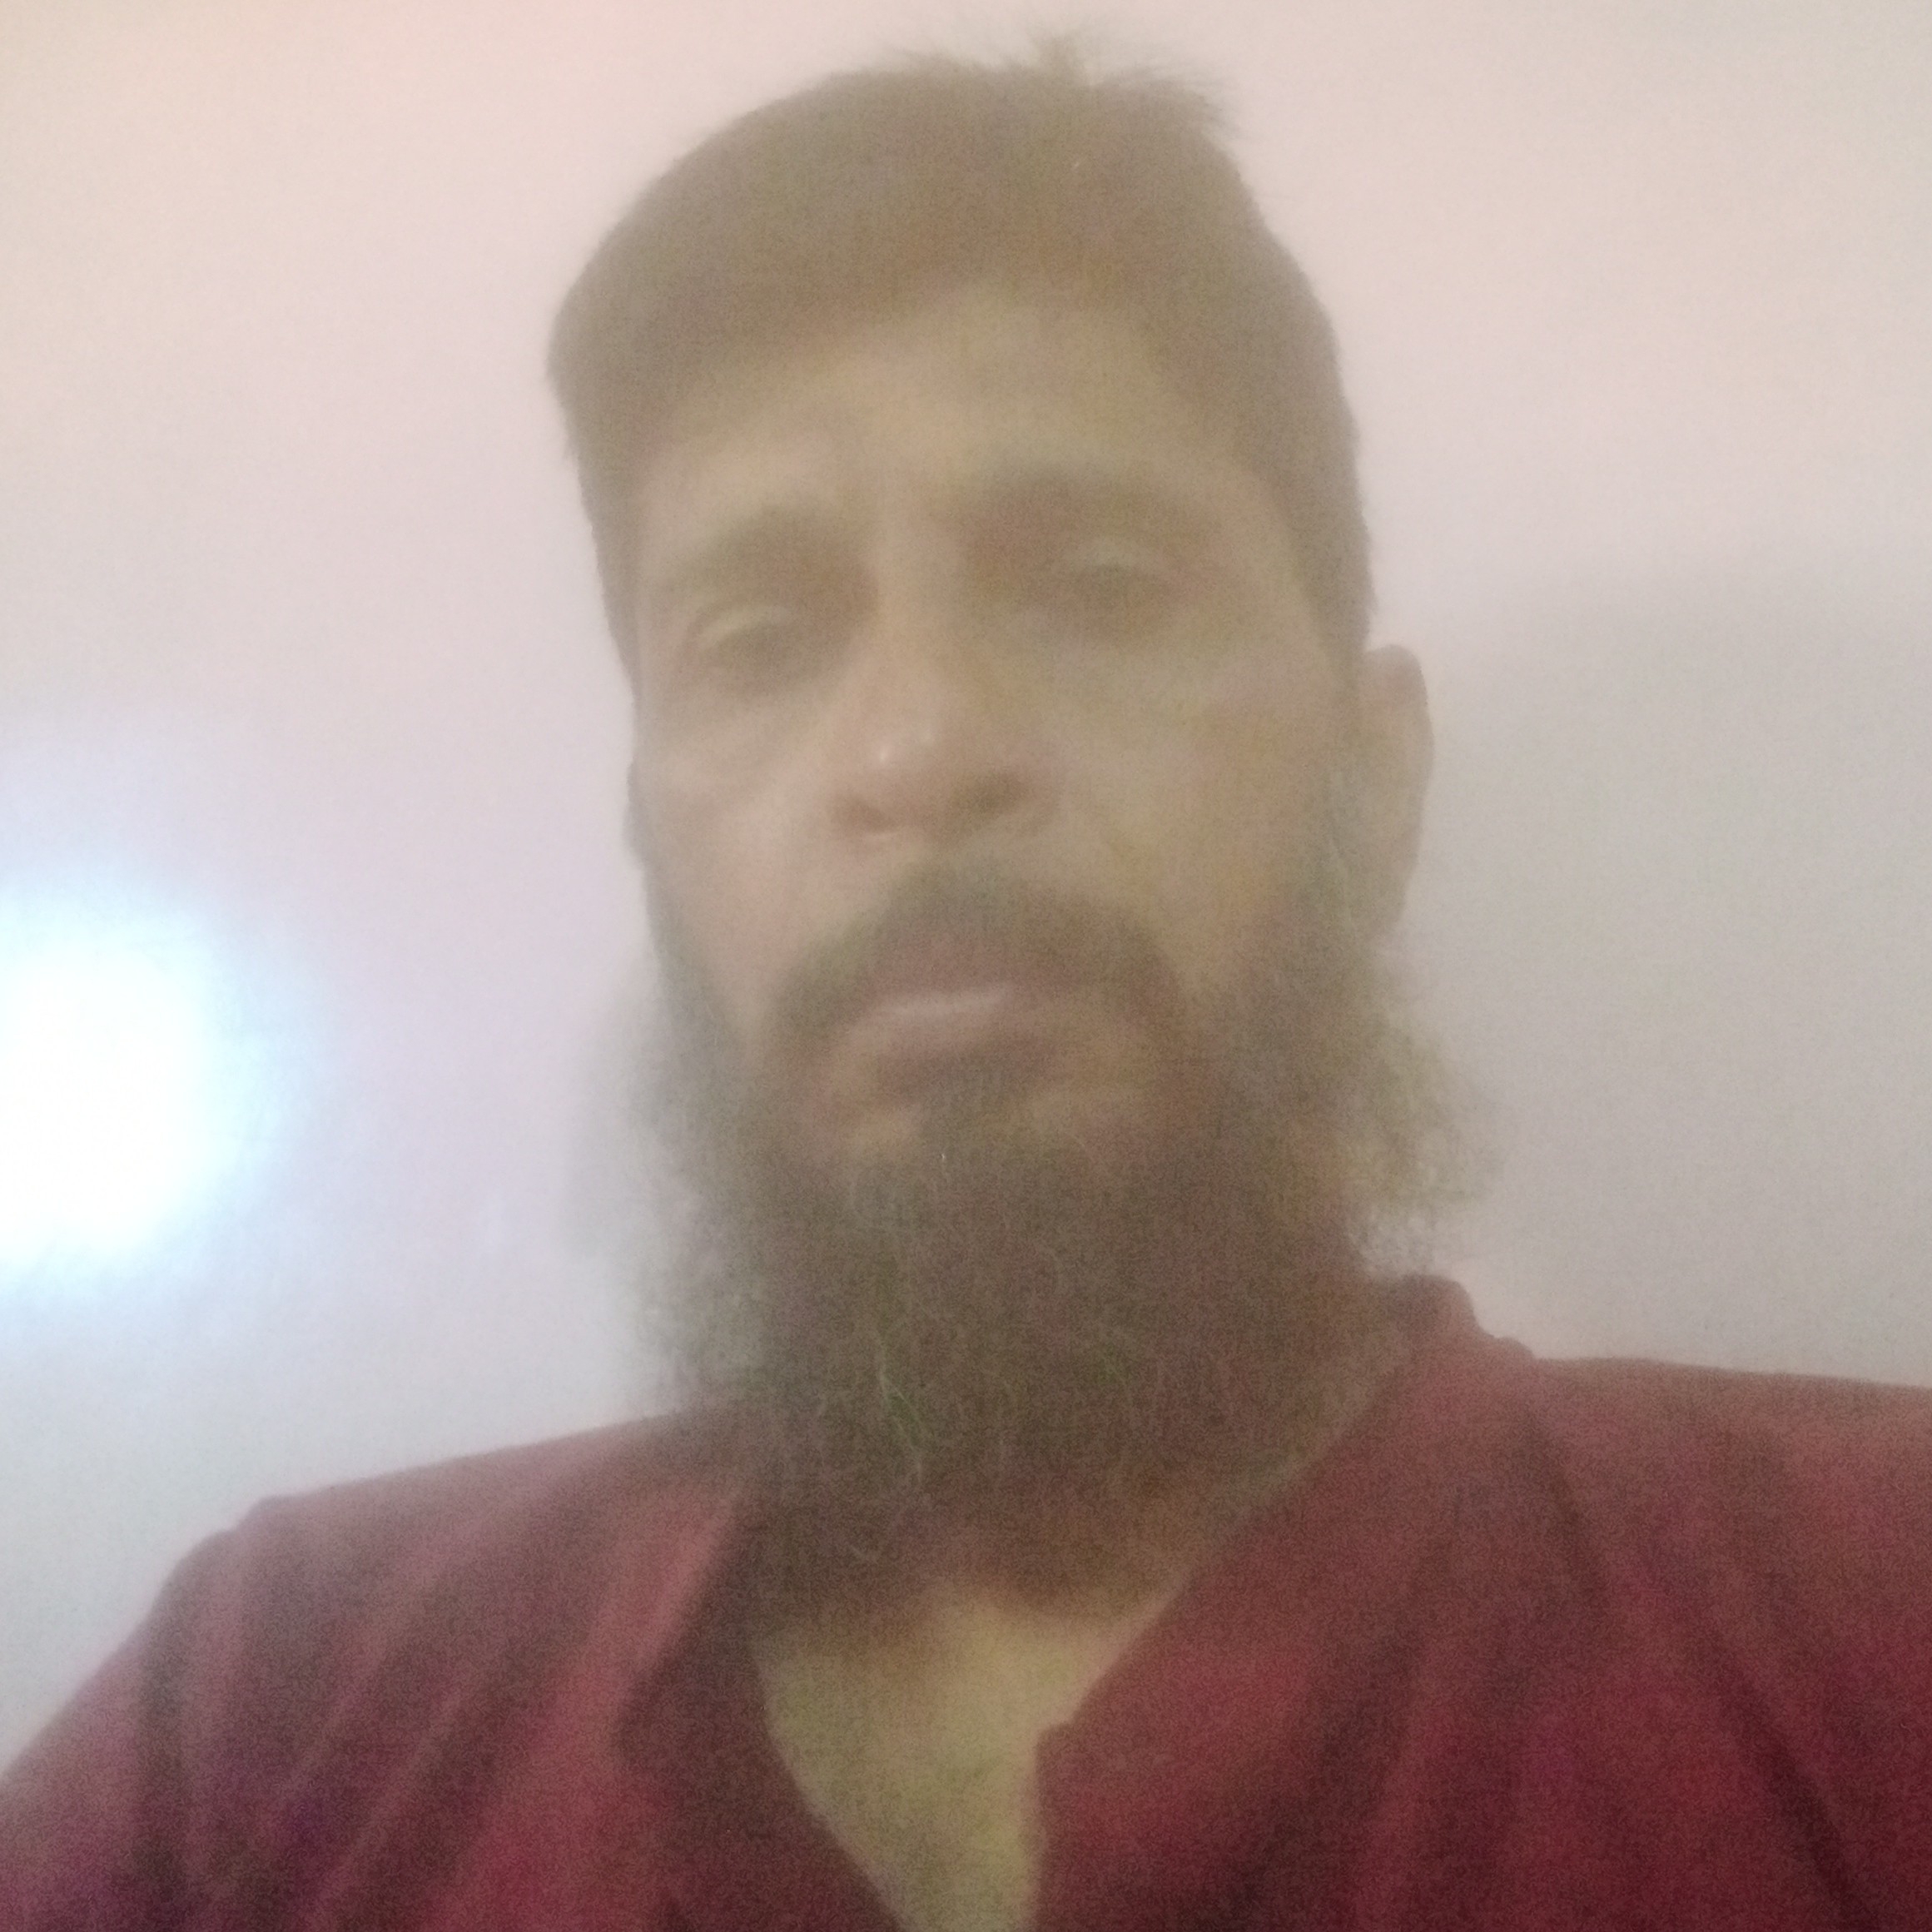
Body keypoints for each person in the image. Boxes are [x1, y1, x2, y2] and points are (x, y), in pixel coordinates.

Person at [3, 47, 1930, 1932]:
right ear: (654, 843)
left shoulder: (1875, 1623)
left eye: (1099, 589)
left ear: (1373, 777)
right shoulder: (264, 1725)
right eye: (760, 636)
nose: (919, 752)